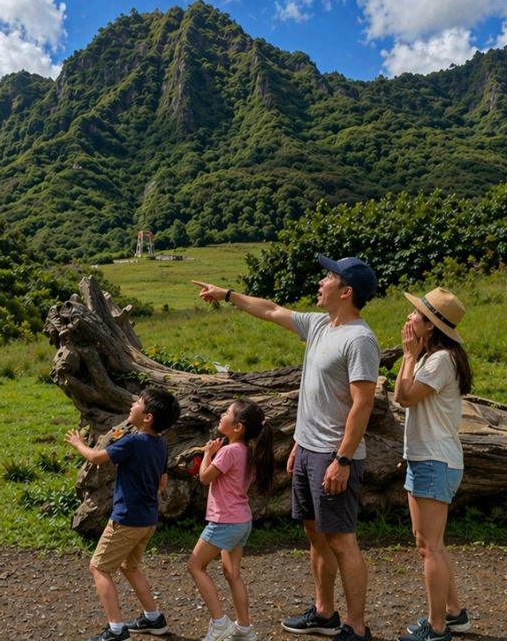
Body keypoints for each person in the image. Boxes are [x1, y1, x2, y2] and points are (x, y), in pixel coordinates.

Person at [194, 254, 381, 641]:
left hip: (334, 455)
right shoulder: (319, 325)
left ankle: (357, 627)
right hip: (309, 450)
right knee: (315, 534)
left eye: (328, 277)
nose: (321, 282)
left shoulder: (359, 339)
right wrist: (227, 294)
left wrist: (343, 459)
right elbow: (271, 310)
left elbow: (363, 404)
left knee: (342, 539)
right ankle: (325, 612)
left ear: (346, 291)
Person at [66, 387, 182, 641]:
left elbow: (97, 458)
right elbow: (162, 483)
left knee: (98, 567)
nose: (133, 403)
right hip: (147, 519)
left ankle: (117, 630)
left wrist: (79, 444)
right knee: (130, 566)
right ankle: (154, 618)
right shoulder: (160, 444)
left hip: (126, 519)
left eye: (138, 402)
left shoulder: (132, 443)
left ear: (148, 416)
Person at [392, 288, 474, 641]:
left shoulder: (439, 360)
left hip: (434, 460)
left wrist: (408, 356)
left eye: (416, 314)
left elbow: (404, 397)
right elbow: (404, 395)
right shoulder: (433, 357)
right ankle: (454, 614)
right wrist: (412, 356)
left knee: (430, 547)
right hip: (427, 458)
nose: (409, 318)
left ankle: (437, 628)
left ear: (431, 325)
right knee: (430, 543)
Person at [187, 398, 276, 641]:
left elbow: (205, 477)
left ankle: (219, 624)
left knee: (195, 566)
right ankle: (244, 629)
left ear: (238, 427)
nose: (221, 414)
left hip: (224, 521)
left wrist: (208, 453)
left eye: (226, 412)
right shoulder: (248, 451)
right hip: (241, 521)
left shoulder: (228, 451)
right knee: (232, 574)